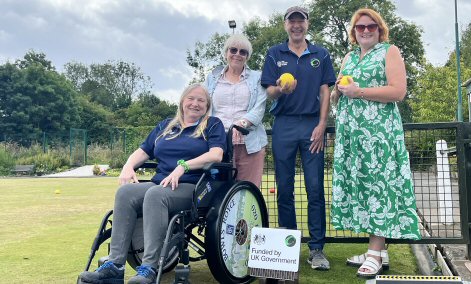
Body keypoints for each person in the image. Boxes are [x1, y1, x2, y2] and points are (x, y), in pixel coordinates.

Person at [79, 83, 226, 284]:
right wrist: (128, 166)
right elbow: (143, 151)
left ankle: (149, 267)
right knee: (126, 193)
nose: (195, 103)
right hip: (162, 182)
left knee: (156, 195)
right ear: (182, 101)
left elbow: (216, 155)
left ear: (207, 105)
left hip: (194, 186)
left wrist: (183, 166)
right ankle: (115, 265)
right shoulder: (166, 125)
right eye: (191, 98)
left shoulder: (212, 124)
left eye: (201, 100)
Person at [330, 8, 421, 278]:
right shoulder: (348, 57)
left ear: (380, 29)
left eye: (371, 26)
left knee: (379, 187)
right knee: (362, 187)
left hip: (379, 134)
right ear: (354, 32)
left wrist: (359, 91)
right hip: (352, 136)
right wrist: (339, 91)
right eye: (360, 27)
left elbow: (398, 91)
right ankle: (378, 250)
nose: (366, 30)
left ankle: (373, 253)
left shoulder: (389, 51)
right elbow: (340, 96)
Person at [261, 6, 336, 270]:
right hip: (284, 126)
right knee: (284, 188)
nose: (296, 25)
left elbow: (325, 91)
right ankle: (287, 247)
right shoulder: (274, 53)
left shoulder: (321, 54)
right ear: (285, 25)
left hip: (312, 126)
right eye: (292, 21)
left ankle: (316, 250)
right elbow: (268, 91)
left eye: (300, 21)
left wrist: (322, 125)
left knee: (315, 188)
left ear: (307, 24)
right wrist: (280, 89)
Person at [205, 33, 268, 187]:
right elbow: (205, 108)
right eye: (233, 50)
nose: (237, 54)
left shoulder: (257, 77)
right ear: (226, 53)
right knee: (218, 192)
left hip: (250, 144)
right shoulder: (212, 78)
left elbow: (259, 108)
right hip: (218, 145)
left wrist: (241, 124)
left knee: (248, 191)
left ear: (247, 56)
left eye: (243, 52)